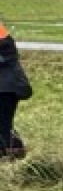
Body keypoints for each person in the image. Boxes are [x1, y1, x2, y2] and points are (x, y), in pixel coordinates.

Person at [0, 19, 32, 159]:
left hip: (6, 87)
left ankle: (13, 154)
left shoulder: (4, 44)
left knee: (3, 126)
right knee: (4, 126)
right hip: (8, 86)